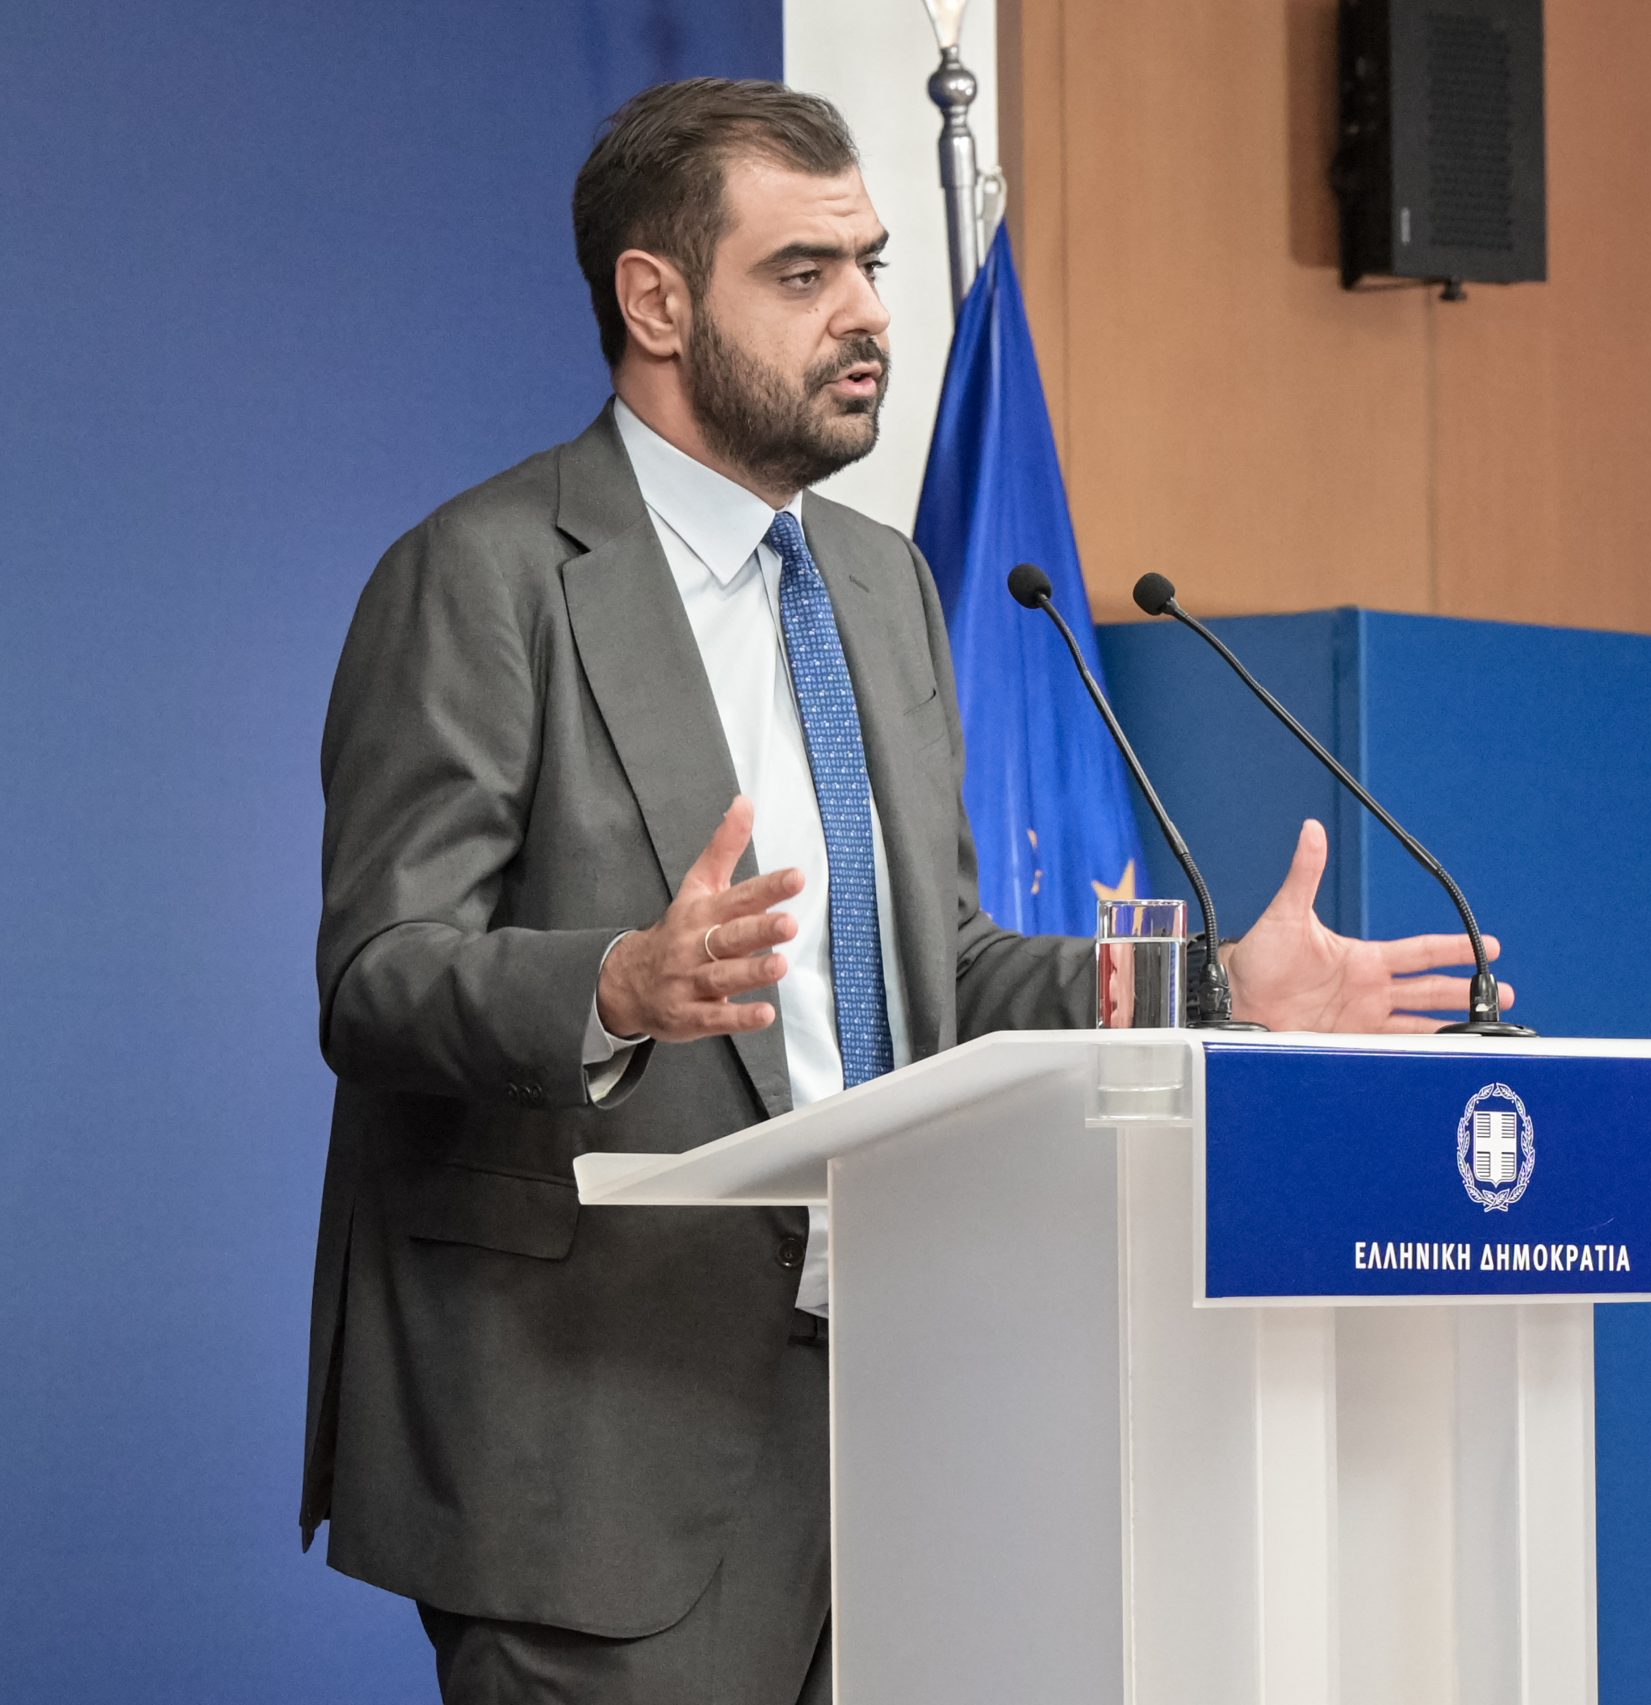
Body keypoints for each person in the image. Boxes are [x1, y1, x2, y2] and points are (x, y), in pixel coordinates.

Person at [301, 77, 1510, 1704]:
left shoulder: (881, 586)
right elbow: (380, 975)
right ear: (654, 302)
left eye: (869, 264)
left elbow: (939, 968)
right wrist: (614, 987)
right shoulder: (486, 575)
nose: (868, 312)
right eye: (803, 274)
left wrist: (1221, 991)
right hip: (600, 1441)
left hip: (899, 1412)